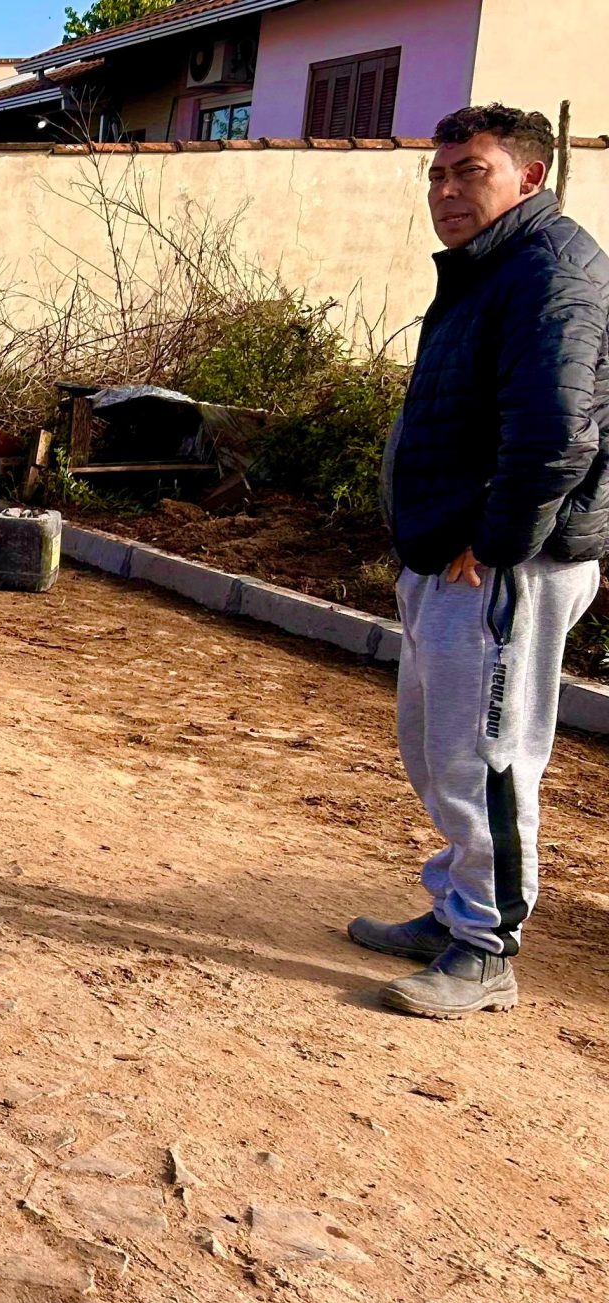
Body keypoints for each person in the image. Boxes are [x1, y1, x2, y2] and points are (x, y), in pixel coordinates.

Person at [351, 104, 609, 1020]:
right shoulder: (490, 271)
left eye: (473, 172)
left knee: (487, 757)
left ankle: (486, 946)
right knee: (436, 750)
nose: (448, 190)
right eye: (439, 173)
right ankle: (454, 907)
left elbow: (556, 437)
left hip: (505, 564)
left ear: (531, 177)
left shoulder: (552, 274)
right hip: (455, 552)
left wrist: (493, 544)